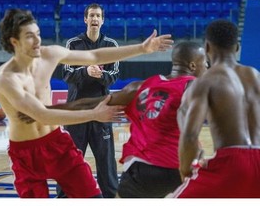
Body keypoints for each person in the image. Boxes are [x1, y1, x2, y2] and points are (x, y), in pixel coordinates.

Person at [0, 8, 173, 198]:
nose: (38, 40)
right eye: (30, 36)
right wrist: (94, 114)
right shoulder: (6, 78)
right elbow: (42, 115)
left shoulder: (50, 54)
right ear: (14, 41)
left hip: (56, 142)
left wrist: (142, 48)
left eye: (38, 34)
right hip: (25, 153)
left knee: (93, 197)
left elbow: (96, 56)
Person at [18, 41, 207, 198]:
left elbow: (88, 104)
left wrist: (42, 111)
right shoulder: (197, 88)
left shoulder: (140, 87)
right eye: (205, 63)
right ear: (192, 65)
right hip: (177, 171)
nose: (207, 67)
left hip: (138, 173)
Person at [171, 19, 260, 198]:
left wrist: (186, 171)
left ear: (207, 47)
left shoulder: (205, 81)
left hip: (232, 163)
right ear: (237, 48)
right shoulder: (256, 76)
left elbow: (189, 136)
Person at [58, 3, 119, 198]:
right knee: (70, 161)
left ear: (102, 20)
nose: (94, 19)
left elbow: (114, 75)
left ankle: (110, 198)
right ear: (85, 19)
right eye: (91, 15)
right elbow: (66, 74)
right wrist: (85, 71)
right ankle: (63, 198)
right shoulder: (73, 44)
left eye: (97, 16)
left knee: (106, 163)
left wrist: (98, 74)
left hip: (102, 111)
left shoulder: (111, 46)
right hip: (76, 113)